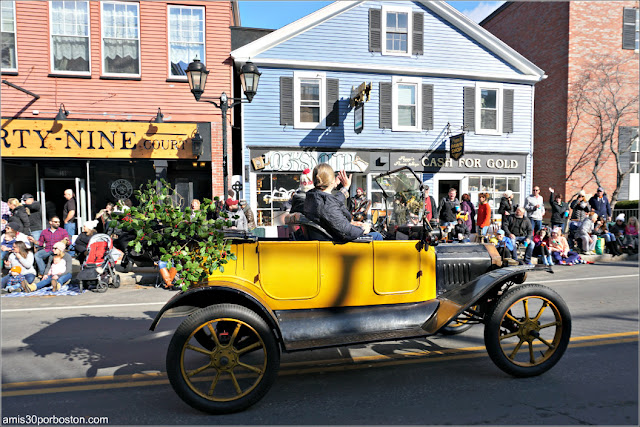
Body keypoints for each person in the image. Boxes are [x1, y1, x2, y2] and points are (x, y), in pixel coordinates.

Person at [304, 163, 383, 242]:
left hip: (325, 239)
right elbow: (346, 231)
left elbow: (333, 202)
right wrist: (363, 229)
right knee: (377, 236)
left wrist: (345, 187)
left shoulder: (312, 196)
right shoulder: (327, 203)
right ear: (332, 181)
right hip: (334, 243)